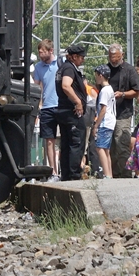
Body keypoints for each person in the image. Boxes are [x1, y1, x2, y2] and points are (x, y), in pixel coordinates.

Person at [104, 46, 139, 178]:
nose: (113, 61)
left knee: (122, 143)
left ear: (122, 55)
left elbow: (137, 91)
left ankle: (125, 175)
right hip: (108, 113)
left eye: (116, 58)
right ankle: (114, 174)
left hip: (123, 113)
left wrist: (123, 94)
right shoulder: (105, 69)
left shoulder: (129, 70)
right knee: (111, 146)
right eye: (111, 58)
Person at [56, 43, 90, 181]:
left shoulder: (63, 67)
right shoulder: (69, 68)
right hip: (72, 112)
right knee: (76, 143)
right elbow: (66, 85)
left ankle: (66, 174)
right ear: (74, 56)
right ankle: (74, 175)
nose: (83, 60)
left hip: (63, 111)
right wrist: (78, 102)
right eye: (81, 57)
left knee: (66, 144)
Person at [29, 40, 60, 179]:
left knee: (64, 139)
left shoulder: (61, 63)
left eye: (43, 52)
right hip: (47, 107)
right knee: (49, 141)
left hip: (61, 106)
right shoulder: (38, 67)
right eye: (39, 52)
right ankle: (53, 171)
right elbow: (36, 88)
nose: (40, 55)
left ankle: (65, 170)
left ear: (50, 51)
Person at [91, 66, 116, 179]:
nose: (95, 78)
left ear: (100, 75)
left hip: (105, 122)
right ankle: (109, 173)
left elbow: (103, 109)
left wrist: (96, 125)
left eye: (96, 75)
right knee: (106, 149)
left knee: (100, 147)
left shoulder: (104, 91)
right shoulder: (110, 89)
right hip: (111, 122)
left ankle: (107, 174)